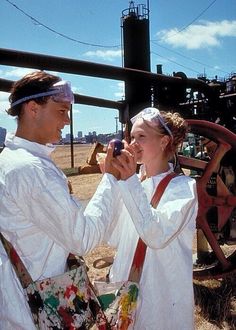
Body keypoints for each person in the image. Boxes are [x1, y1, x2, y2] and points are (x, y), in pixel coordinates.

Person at [0, 70, 118, 329]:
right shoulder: (32, 170)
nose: (67, 120)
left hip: (21, 301)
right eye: (61, 111)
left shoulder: (11, 160)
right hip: (39, 308)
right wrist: (110, 178)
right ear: (33, 108)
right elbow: (83, 238)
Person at [102, 107, 198, 330]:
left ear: (164, 142)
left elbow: (156, 235)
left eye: (141, 137)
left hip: (161, 299)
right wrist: (111, 183)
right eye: (132, 137)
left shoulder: (183, 188)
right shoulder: (133, 183)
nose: (133, 144)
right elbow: (114, 238)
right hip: (124, 291)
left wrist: (127, 181)